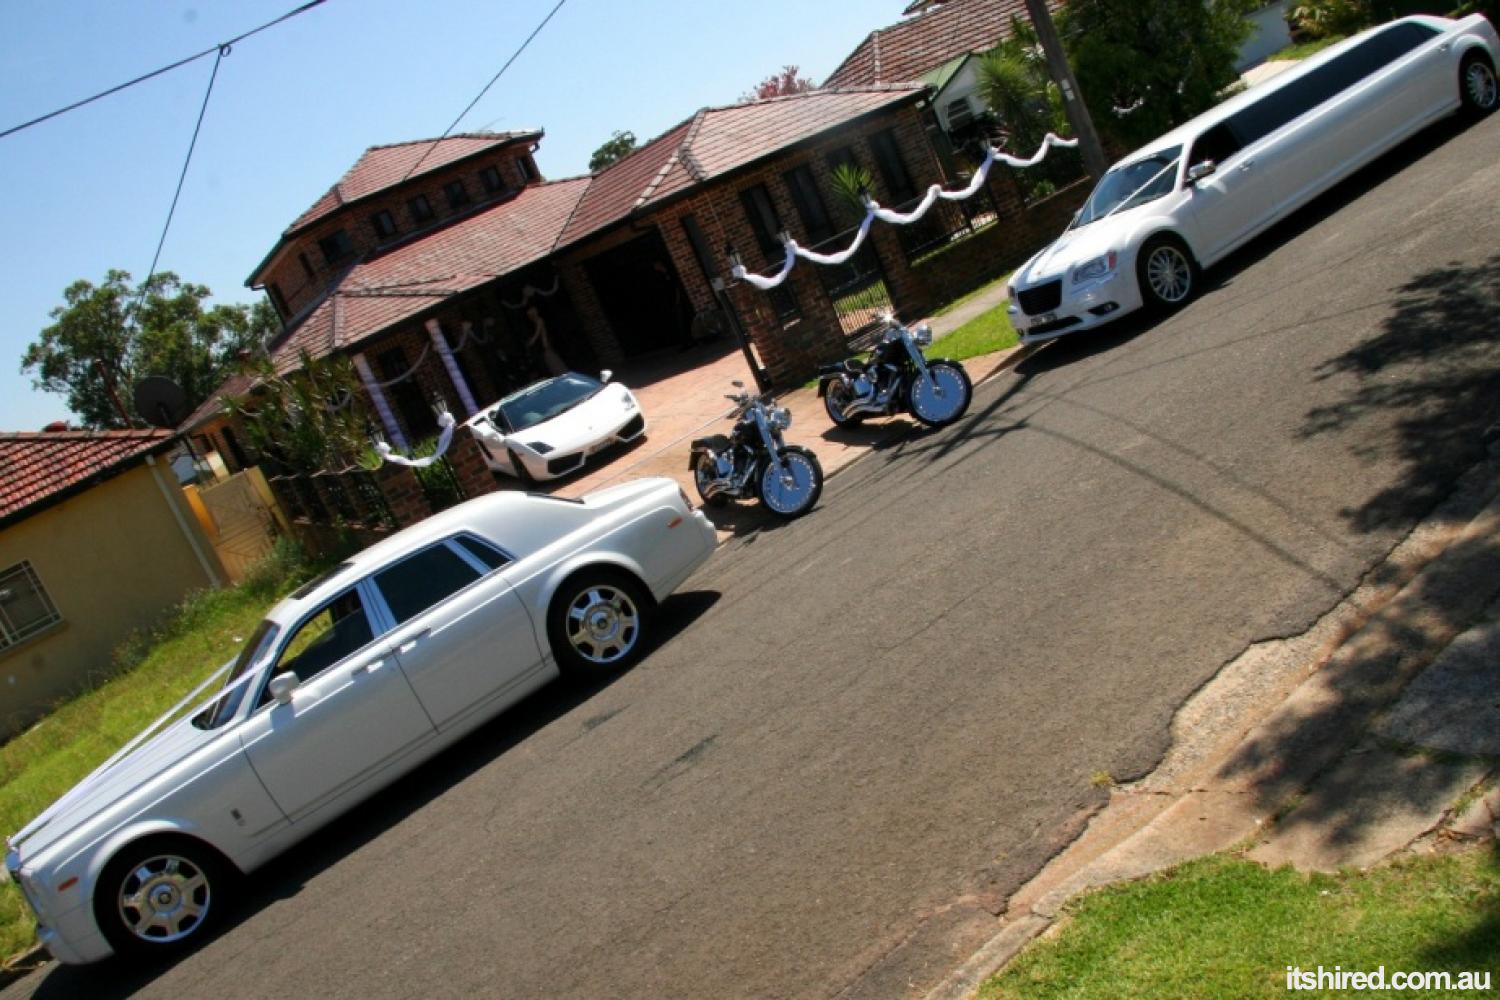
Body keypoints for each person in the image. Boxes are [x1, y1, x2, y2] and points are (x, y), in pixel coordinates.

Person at [525, 305, 568, 377]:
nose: (531, 313)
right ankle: (560, 375)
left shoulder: (539, 319)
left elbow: (538, 332)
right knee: (550, 361)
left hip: (546, 343)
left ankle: (562, 374)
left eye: (533, 311)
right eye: (530, 312)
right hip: (543, 345)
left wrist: (532, 340)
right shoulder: (534, 321)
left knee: (553, 360)